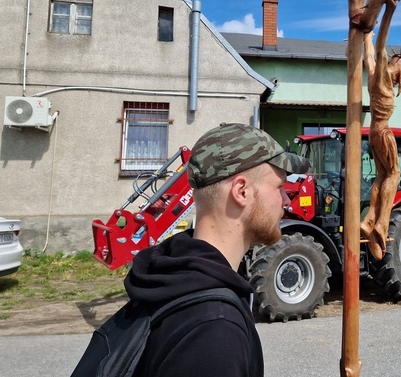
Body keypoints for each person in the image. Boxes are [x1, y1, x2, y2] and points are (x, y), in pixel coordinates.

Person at [125, 122, 310, 377]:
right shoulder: (214, 331)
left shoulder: (166, 278)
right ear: (241, 191)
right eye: (279, 187)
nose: (287, 201)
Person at [360, 0, 401, 260]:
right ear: (400, 67)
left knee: (381, 176)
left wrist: (365, 35)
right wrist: (389, 10)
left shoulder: (373, 75)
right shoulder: (383, 75)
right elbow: (380, 45)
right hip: (382, 131)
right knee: (394, 175)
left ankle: (369, 219)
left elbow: (371, 51)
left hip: (372, 132)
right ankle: (382, 224)